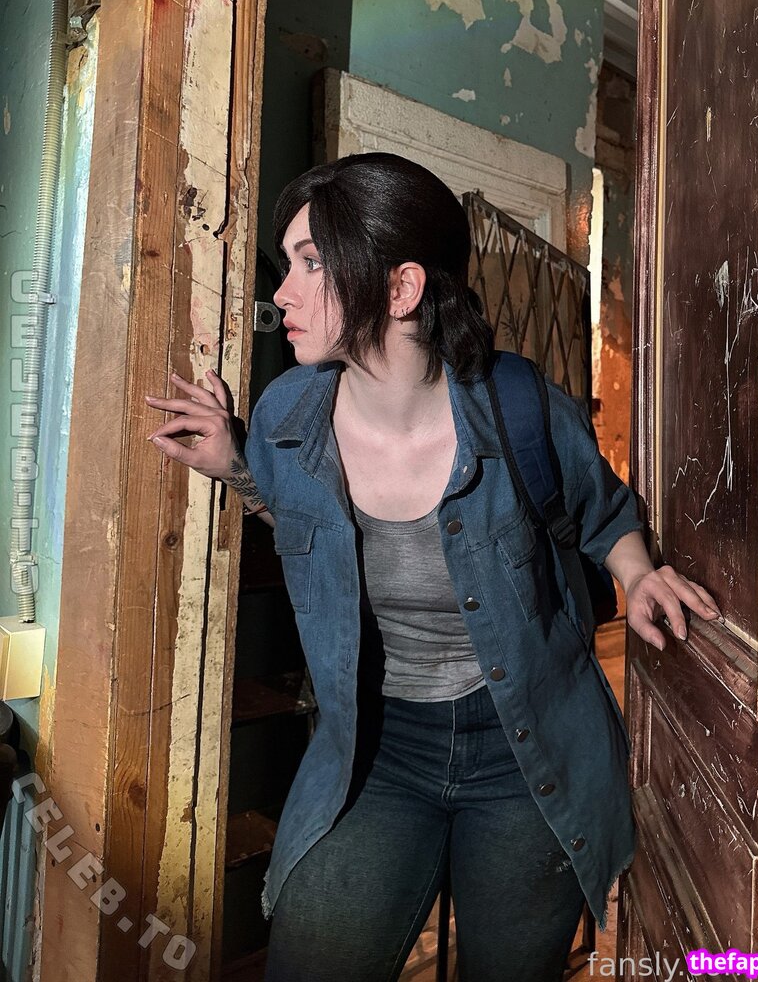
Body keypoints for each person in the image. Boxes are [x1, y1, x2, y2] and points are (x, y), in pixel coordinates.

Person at [145, 152, 721, 982]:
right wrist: (236, 465)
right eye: (288, 264)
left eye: (311, 263)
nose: (283, 293)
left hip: (527, 748)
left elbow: (602, 515)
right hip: (377, 749)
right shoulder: (282, 418)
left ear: (401, 288)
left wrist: (638, 576)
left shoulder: (520, 408)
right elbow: (311, 525)